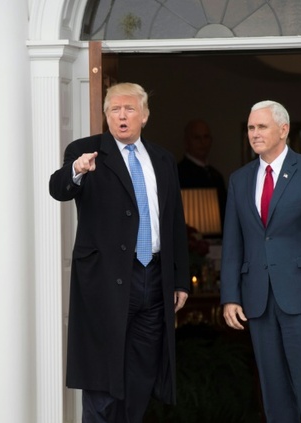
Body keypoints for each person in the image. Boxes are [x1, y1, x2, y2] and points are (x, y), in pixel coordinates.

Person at [49, 82, 190, 423]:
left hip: (153, 279)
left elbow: (173, 221)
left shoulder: (162, 158)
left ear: (144, 115)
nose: (122, 115)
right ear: (106, 115)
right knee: (101, 378)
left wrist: (181, 279)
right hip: (105, 282)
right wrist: (76, 171)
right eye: (114, 109)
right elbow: (58, 188)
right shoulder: (86, 151)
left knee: (141, 374)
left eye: (129, 109)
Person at [220, 100, 301, 423]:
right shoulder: (239, 179)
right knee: (273, 394)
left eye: (261, 127)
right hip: (258, 301)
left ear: (283, 130)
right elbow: (234, 243)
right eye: (250, 128)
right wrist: (230, 296)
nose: (254, 134)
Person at [177, 119, 227, 225]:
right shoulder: (178, 173)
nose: (202, 142)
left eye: (206, 137)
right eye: (197, 138)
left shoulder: (216, 176)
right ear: (187, 142)